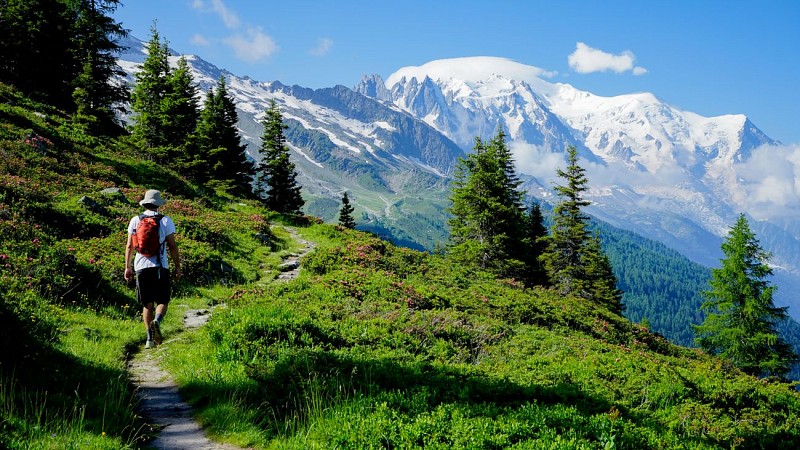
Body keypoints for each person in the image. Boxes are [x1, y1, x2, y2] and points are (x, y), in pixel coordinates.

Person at [124, 189, 182, 349]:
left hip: (141, 267)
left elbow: (129, 246)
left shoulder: (135, 220)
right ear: (158, 204)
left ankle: (149, 339)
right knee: (163, 300)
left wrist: (127, 267)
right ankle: (157, 320)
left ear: (145, 203)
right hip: (160, 266)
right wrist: (177, 267)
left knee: (147, 304)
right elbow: (172, 246)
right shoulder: (165, 221)